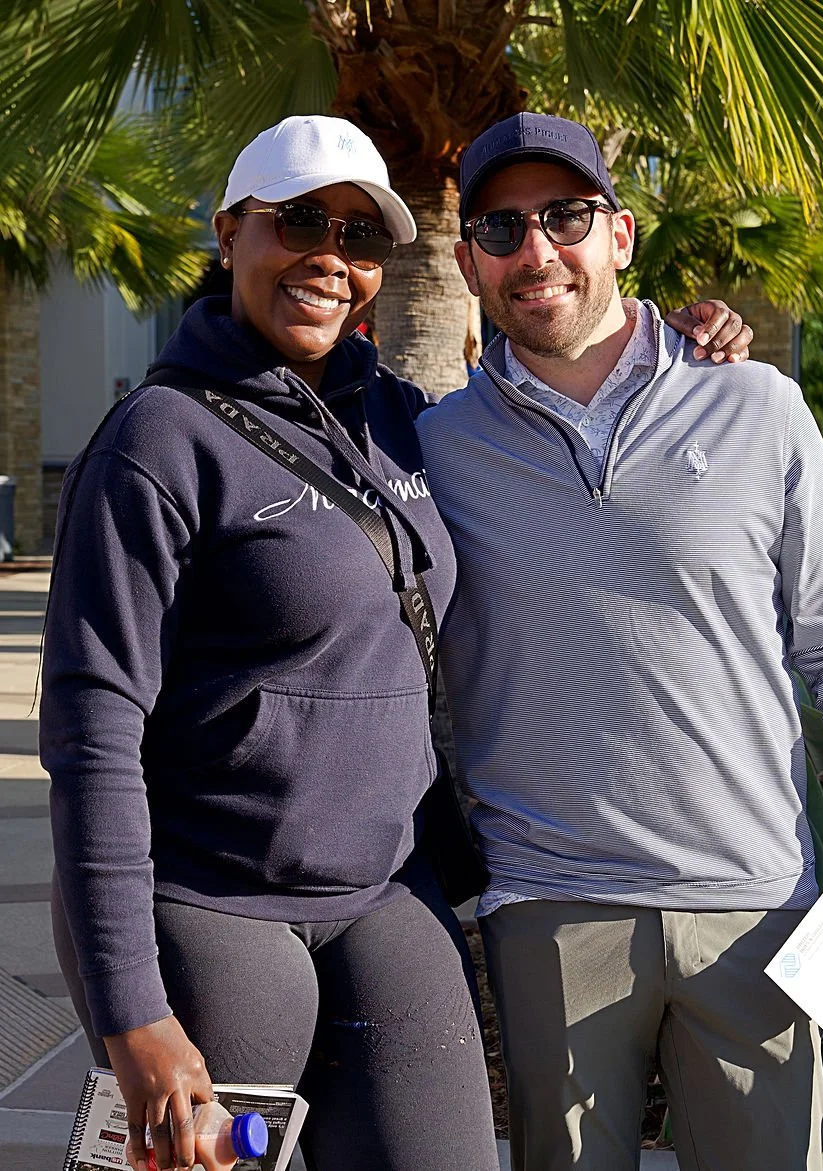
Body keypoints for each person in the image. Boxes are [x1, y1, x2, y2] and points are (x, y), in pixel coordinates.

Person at [40, 114, 751, 1171]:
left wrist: (669, 346)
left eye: (360, 236)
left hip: (387, 893)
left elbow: (549, 413)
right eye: (298, 223)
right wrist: (129, 1008)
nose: (330, 256)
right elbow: (92, 736)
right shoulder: (156, 441)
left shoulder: (402, 421)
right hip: (211, 906)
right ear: (229, 232)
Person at [415, 112, 823, 1171]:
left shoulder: (757, 404)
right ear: (470, 261)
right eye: (502, 228)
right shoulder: (436, 445)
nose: (537, 251)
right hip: (550, 906)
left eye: (565, 216)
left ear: (619, 235)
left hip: (752, 903)